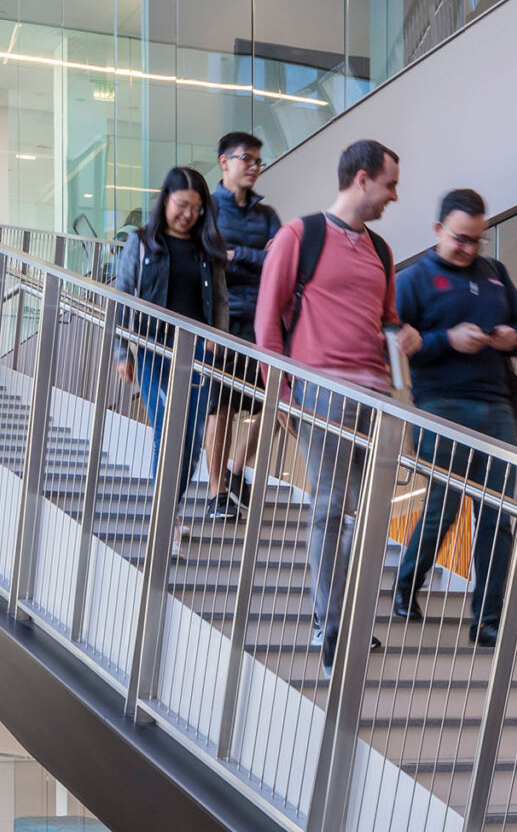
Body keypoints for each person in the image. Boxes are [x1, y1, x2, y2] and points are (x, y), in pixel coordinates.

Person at [255, 139, 421, 673]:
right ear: (362, 179)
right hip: (321, 388)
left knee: (365, 514)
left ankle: (340, 614)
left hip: (375, 394)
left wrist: (403, 336)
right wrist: (279, 392)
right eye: (390, 183)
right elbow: (266, 323)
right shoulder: (300, 236)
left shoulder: (382, 250)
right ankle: (334, 628)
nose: (394, 195)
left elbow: (388, 318)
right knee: (332, 507)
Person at [392, 187, 517, 647]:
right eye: (460, 238)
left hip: (496, 406)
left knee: (498, 515)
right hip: (440, 404)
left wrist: (512, 336)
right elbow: (396, 341)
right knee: (445, 505)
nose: (469, 248)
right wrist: (445, 341)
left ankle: (488, 621)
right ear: (438, 231)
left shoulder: (495, 274)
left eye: (477, 240)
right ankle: (407, 583)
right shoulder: (412, 280)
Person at [114, 167, 227, 501]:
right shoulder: (142, 242)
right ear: (165, 200)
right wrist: (122, 352)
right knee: (168, 429)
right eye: (182, 204)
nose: (188, 214)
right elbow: (122, 296)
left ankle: (170, 510)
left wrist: (217, 339)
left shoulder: (208, 249)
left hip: (200, 355)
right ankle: (164, 515)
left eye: (196, 208)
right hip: (154, 350)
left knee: (192, 436)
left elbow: (220, 301)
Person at [204, 130, 282, 519]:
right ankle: (218, 493)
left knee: (278, 403)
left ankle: (236, 469)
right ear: (225, 162)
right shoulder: (209, 210)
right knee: (221, 409)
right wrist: (254, 256)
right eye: (246, 159)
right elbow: (213, 256)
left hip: (262, 322)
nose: (254, 166)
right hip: (221, 321)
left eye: (257, 160)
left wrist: (239, 254)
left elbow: (279, 261)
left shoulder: (267, 215)